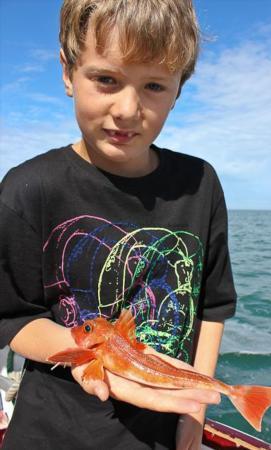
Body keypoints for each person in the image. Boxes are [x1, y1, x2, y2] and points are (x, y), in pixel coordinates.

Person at [0, 0, 237, 448]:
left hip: (162, 431)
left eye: (153, 85)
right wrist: (86, 356)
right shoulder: (28, 189)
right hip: (51, 431)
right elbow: (10, 318)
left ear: (179, 89)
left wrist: (196, 409)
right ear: (69, 73)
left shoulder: (200, 184)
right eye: (106, 79)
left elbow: (212, 308)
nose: (128, 109)